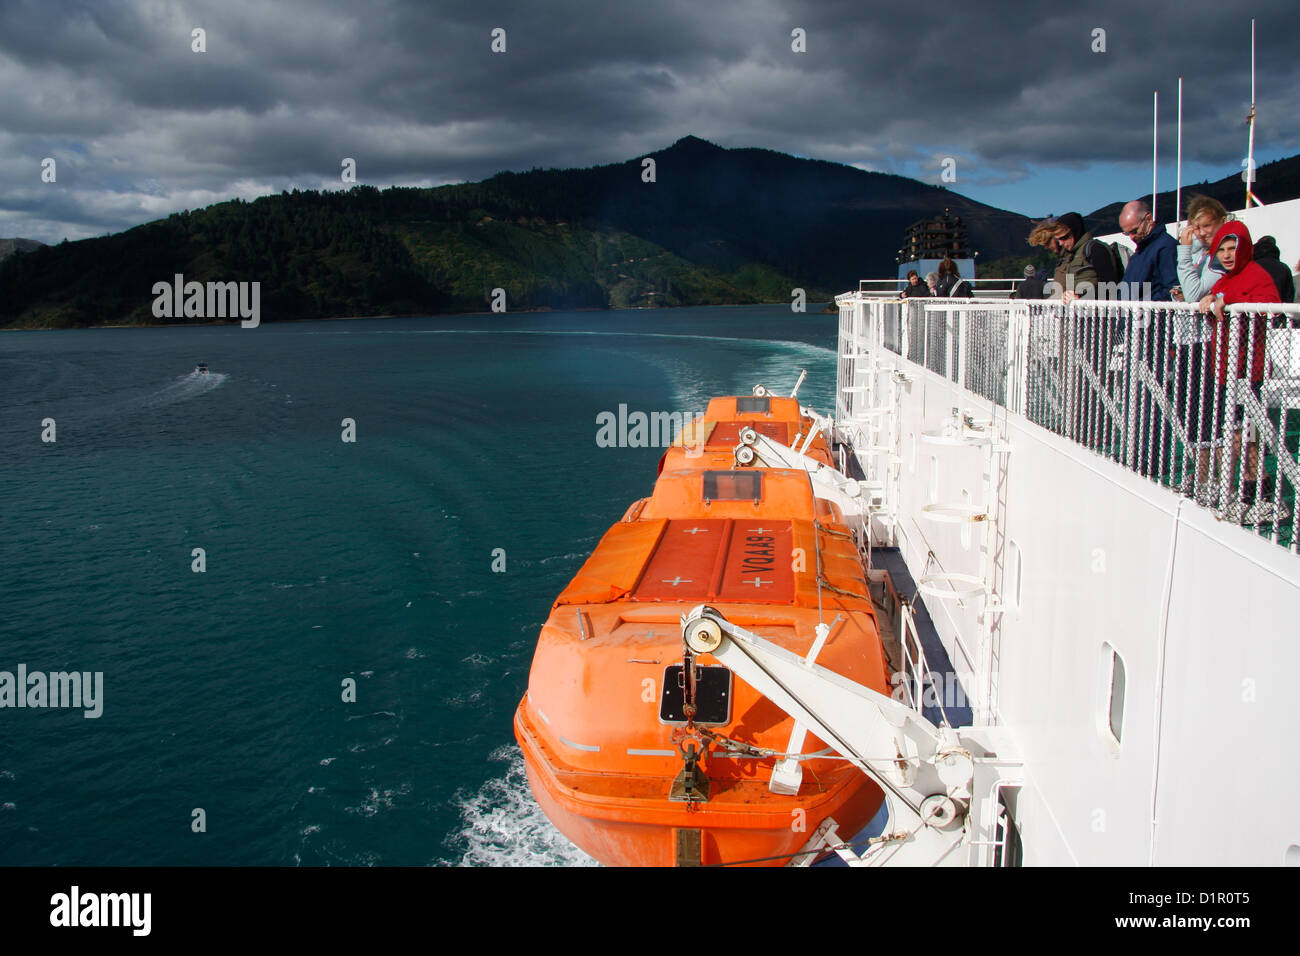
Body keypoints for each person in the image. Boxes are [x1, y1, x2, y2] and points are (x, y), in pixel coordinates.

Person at [1195, 221, 1289, 523]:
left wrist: (1230, 301)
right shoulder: (1223, 280)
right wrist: (1208, 302)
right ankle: (1251, 494)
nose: (1226, 254)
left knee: (1244, 434)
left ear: (1244, 247)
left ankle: (1262, 496)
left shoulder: (1256, 274)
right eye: (1221, 249)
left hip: (1249, 370)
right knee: (1237, 433)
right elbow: (1219, 315)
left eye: (1232, 248)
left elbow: (1273, 307)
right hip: (1225, 369)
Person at [1049, 212, 1119, 300]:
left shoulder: (1096, 249)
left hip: (1097, 310)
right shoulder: (1070, 256)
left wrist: (1080, 297)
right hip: (1078, 311)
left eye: (1064, 238)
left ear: (1075, 232)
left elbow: (1110, 286)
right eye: (1058, 239)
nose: (1061, 243)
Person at [1118, 200, 1177, 300]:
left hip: (1148, 313)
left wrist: (1140, 306)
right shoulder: (1138, 254)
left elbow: (1173, 291)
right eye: (1127, 233)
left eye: (1134, 231)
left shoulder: (1166, 247)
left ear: (1148, 218)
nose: (1131, 237)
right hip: (1130, 313)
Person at [1252, 235, 1294, 303]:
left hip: (1252, 310)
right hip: (1277, 310)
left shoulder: (1250, 267)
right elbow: (1289, 296)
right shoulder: (1284, 268)